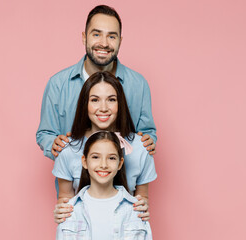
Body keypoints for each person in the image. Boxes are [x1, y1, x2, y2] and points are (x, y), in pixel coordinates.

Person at [36, 5, 157, 160]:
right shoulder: (58, 84)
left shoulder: (139, 85)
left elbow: (147, 133)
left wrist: (149, 141)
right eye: (96, 34)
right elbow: (45, 134)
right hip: (73, 181)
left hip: (125, 180)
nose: (104, 43)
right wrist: (54, 144)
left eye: (112, 36)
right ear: (84, 37)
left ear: (120, 41)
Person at [52, 71, 157, 223]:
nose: (103, 108)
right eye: (95, 100)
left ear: (120, 103)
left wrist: (142, 209)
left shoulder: (141, 147)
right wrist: (61, 213)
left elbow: (142, 198)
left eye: (111, 100)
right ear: (85, 104)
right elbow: (65, 199)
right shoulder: (68, 148)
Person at [56, 131, 152, 240]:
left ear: (120, 164)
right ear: (84, 161)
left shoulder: (135, 209)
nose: (103, 165)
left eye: (111, 158)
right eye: (95, 157)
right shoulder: (70, 210)